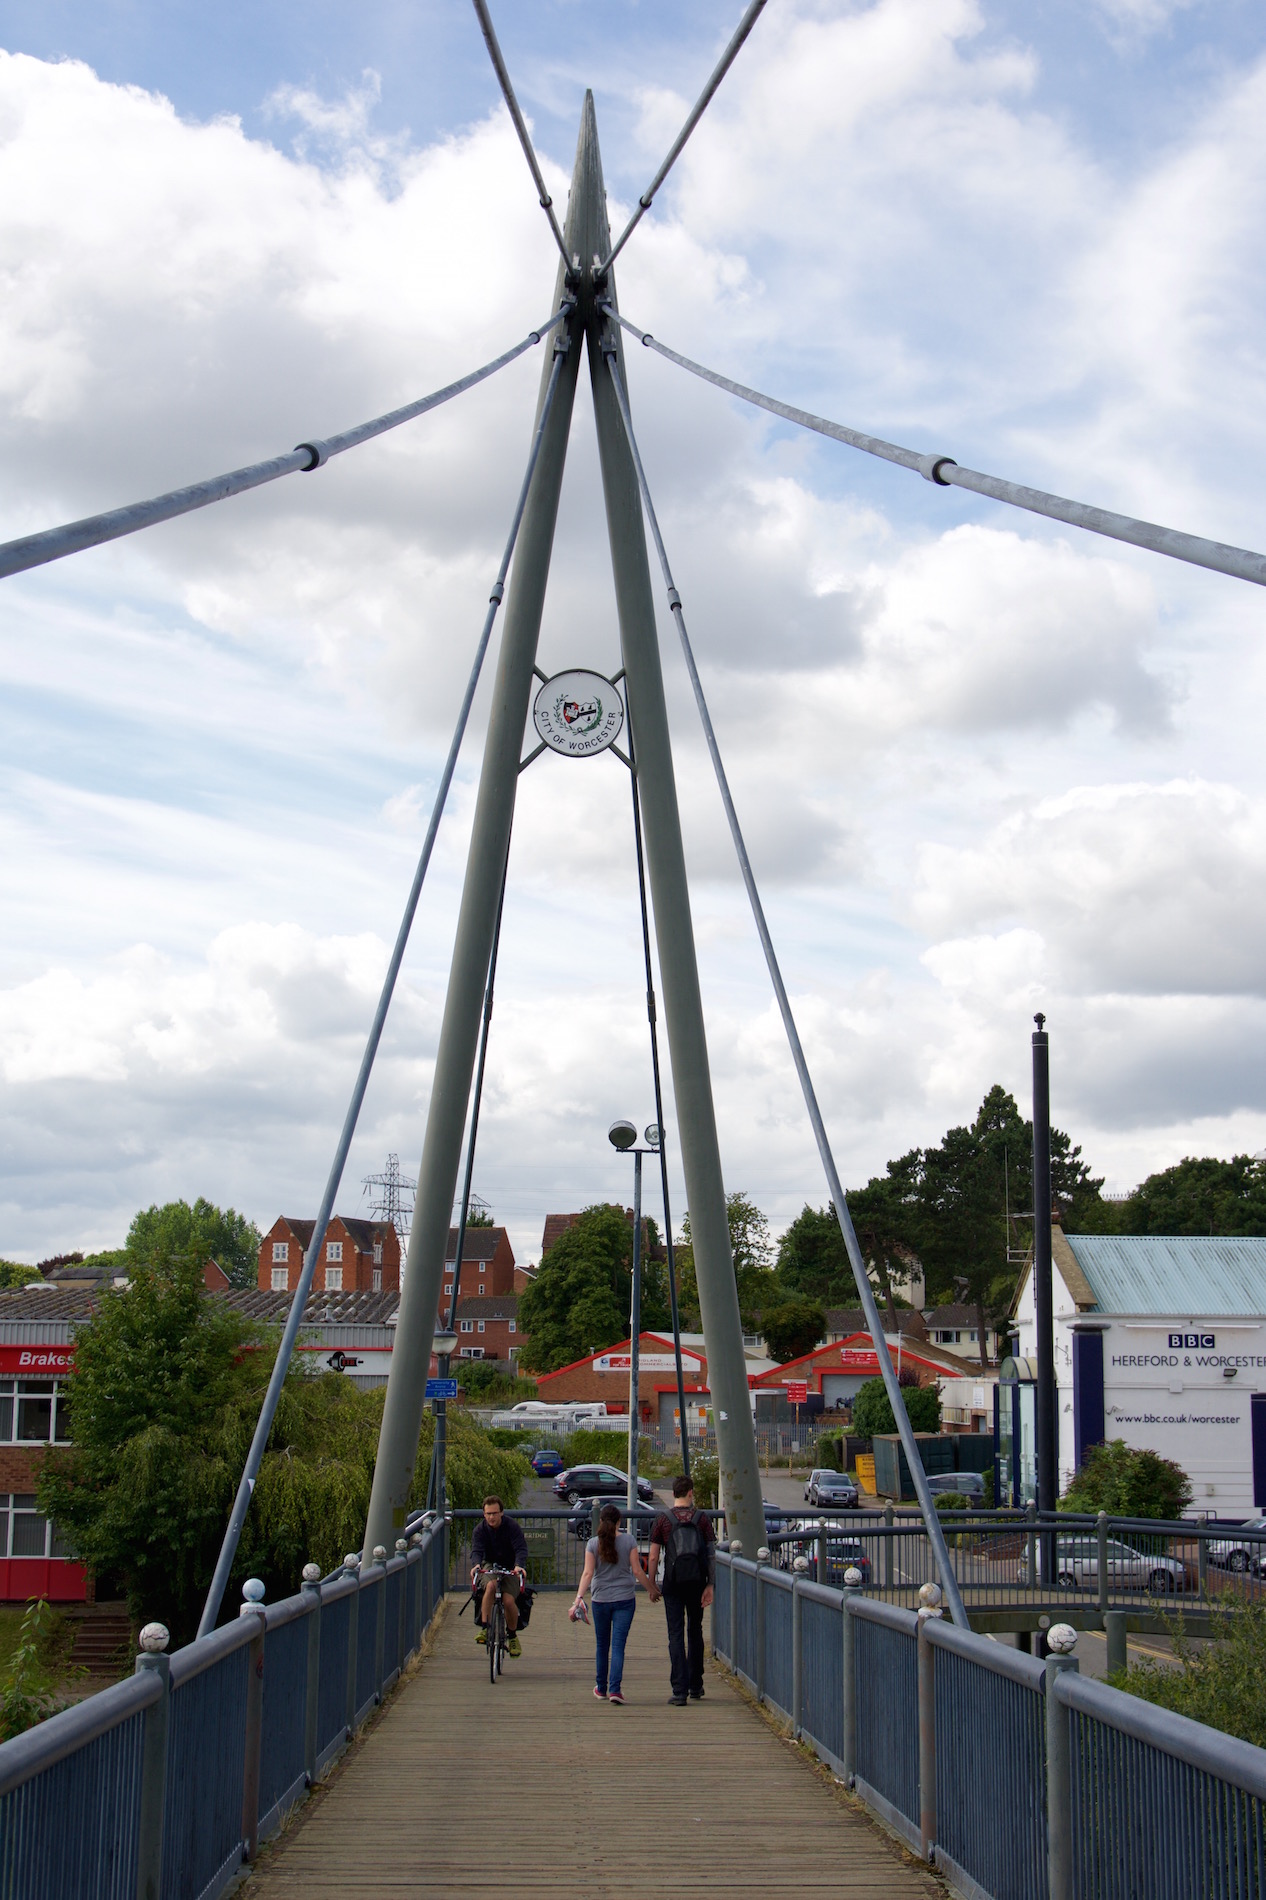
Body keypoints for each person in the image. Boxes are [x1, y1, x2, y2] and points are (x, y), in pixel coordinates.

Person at [571, 1503, 650, 1704]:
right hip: (625, 1598)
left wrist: (578, 1598)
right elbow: (638, 1571)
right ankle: (615, 1690)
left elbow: (588, 1573)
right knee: (618, 1646)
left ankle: (601, 1688)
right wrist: (653, 1590)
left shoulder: (592, 1544)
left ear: (600, 1521)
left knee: (602, 1645)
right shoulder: (629, 1540)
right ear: (619, 1521)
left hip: (600, 1599)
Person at [647, 1473, 716, 1705]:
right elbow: (711, 1555)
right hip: (697, 1582)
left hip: (673, 1583)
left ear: (673, 1493)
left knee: (675, 1633)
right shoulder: (702, 1519)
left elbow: (654, 1555)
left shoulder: (663, 1520)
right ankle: (696, 1685)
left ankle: (679, 1691)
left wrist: (652, 1583)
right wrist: (710, 1585)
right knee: (695, 1631)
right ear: (690, 1493)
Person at [469, 1495, 529, 1658]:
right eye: (488, 1513)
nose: (491, 1517)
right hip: (490, 1565)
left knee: (509, 1600)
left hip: (510, 1567)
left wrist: (519, 1565)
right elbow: (477, 1551)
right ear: (484, 1514)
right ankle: (485, 1627)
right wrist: (476, 1564)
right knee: (490, 1586)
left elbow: (521, 1549)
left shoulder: (512, 1527)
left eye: (494, 1513)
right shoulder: (480, 1530)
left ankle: (512, 1636)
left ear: (501, 1513)